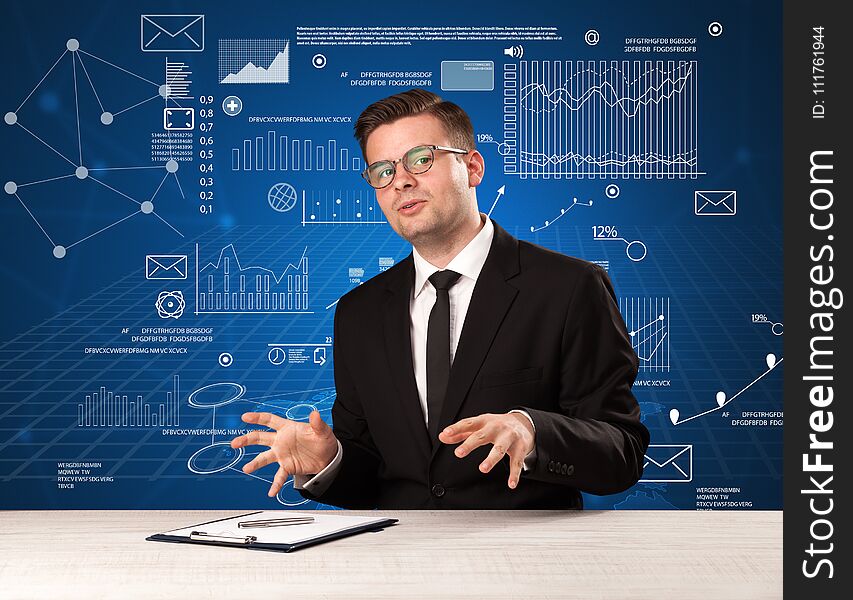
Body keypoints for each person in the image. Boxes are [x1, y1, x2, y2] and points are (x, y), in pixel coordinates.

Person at [230, 89, 649, 509]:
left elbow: (622, 451)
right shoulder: (358, 313)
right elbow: (372, 476)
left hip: (525, 560)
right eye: (382, 170)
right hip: (400, 562)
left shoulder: (570, 287)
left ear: (472, 167)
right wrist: (329, 460)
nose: (402, 181)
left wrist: (533, 430)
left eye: (420, 159)